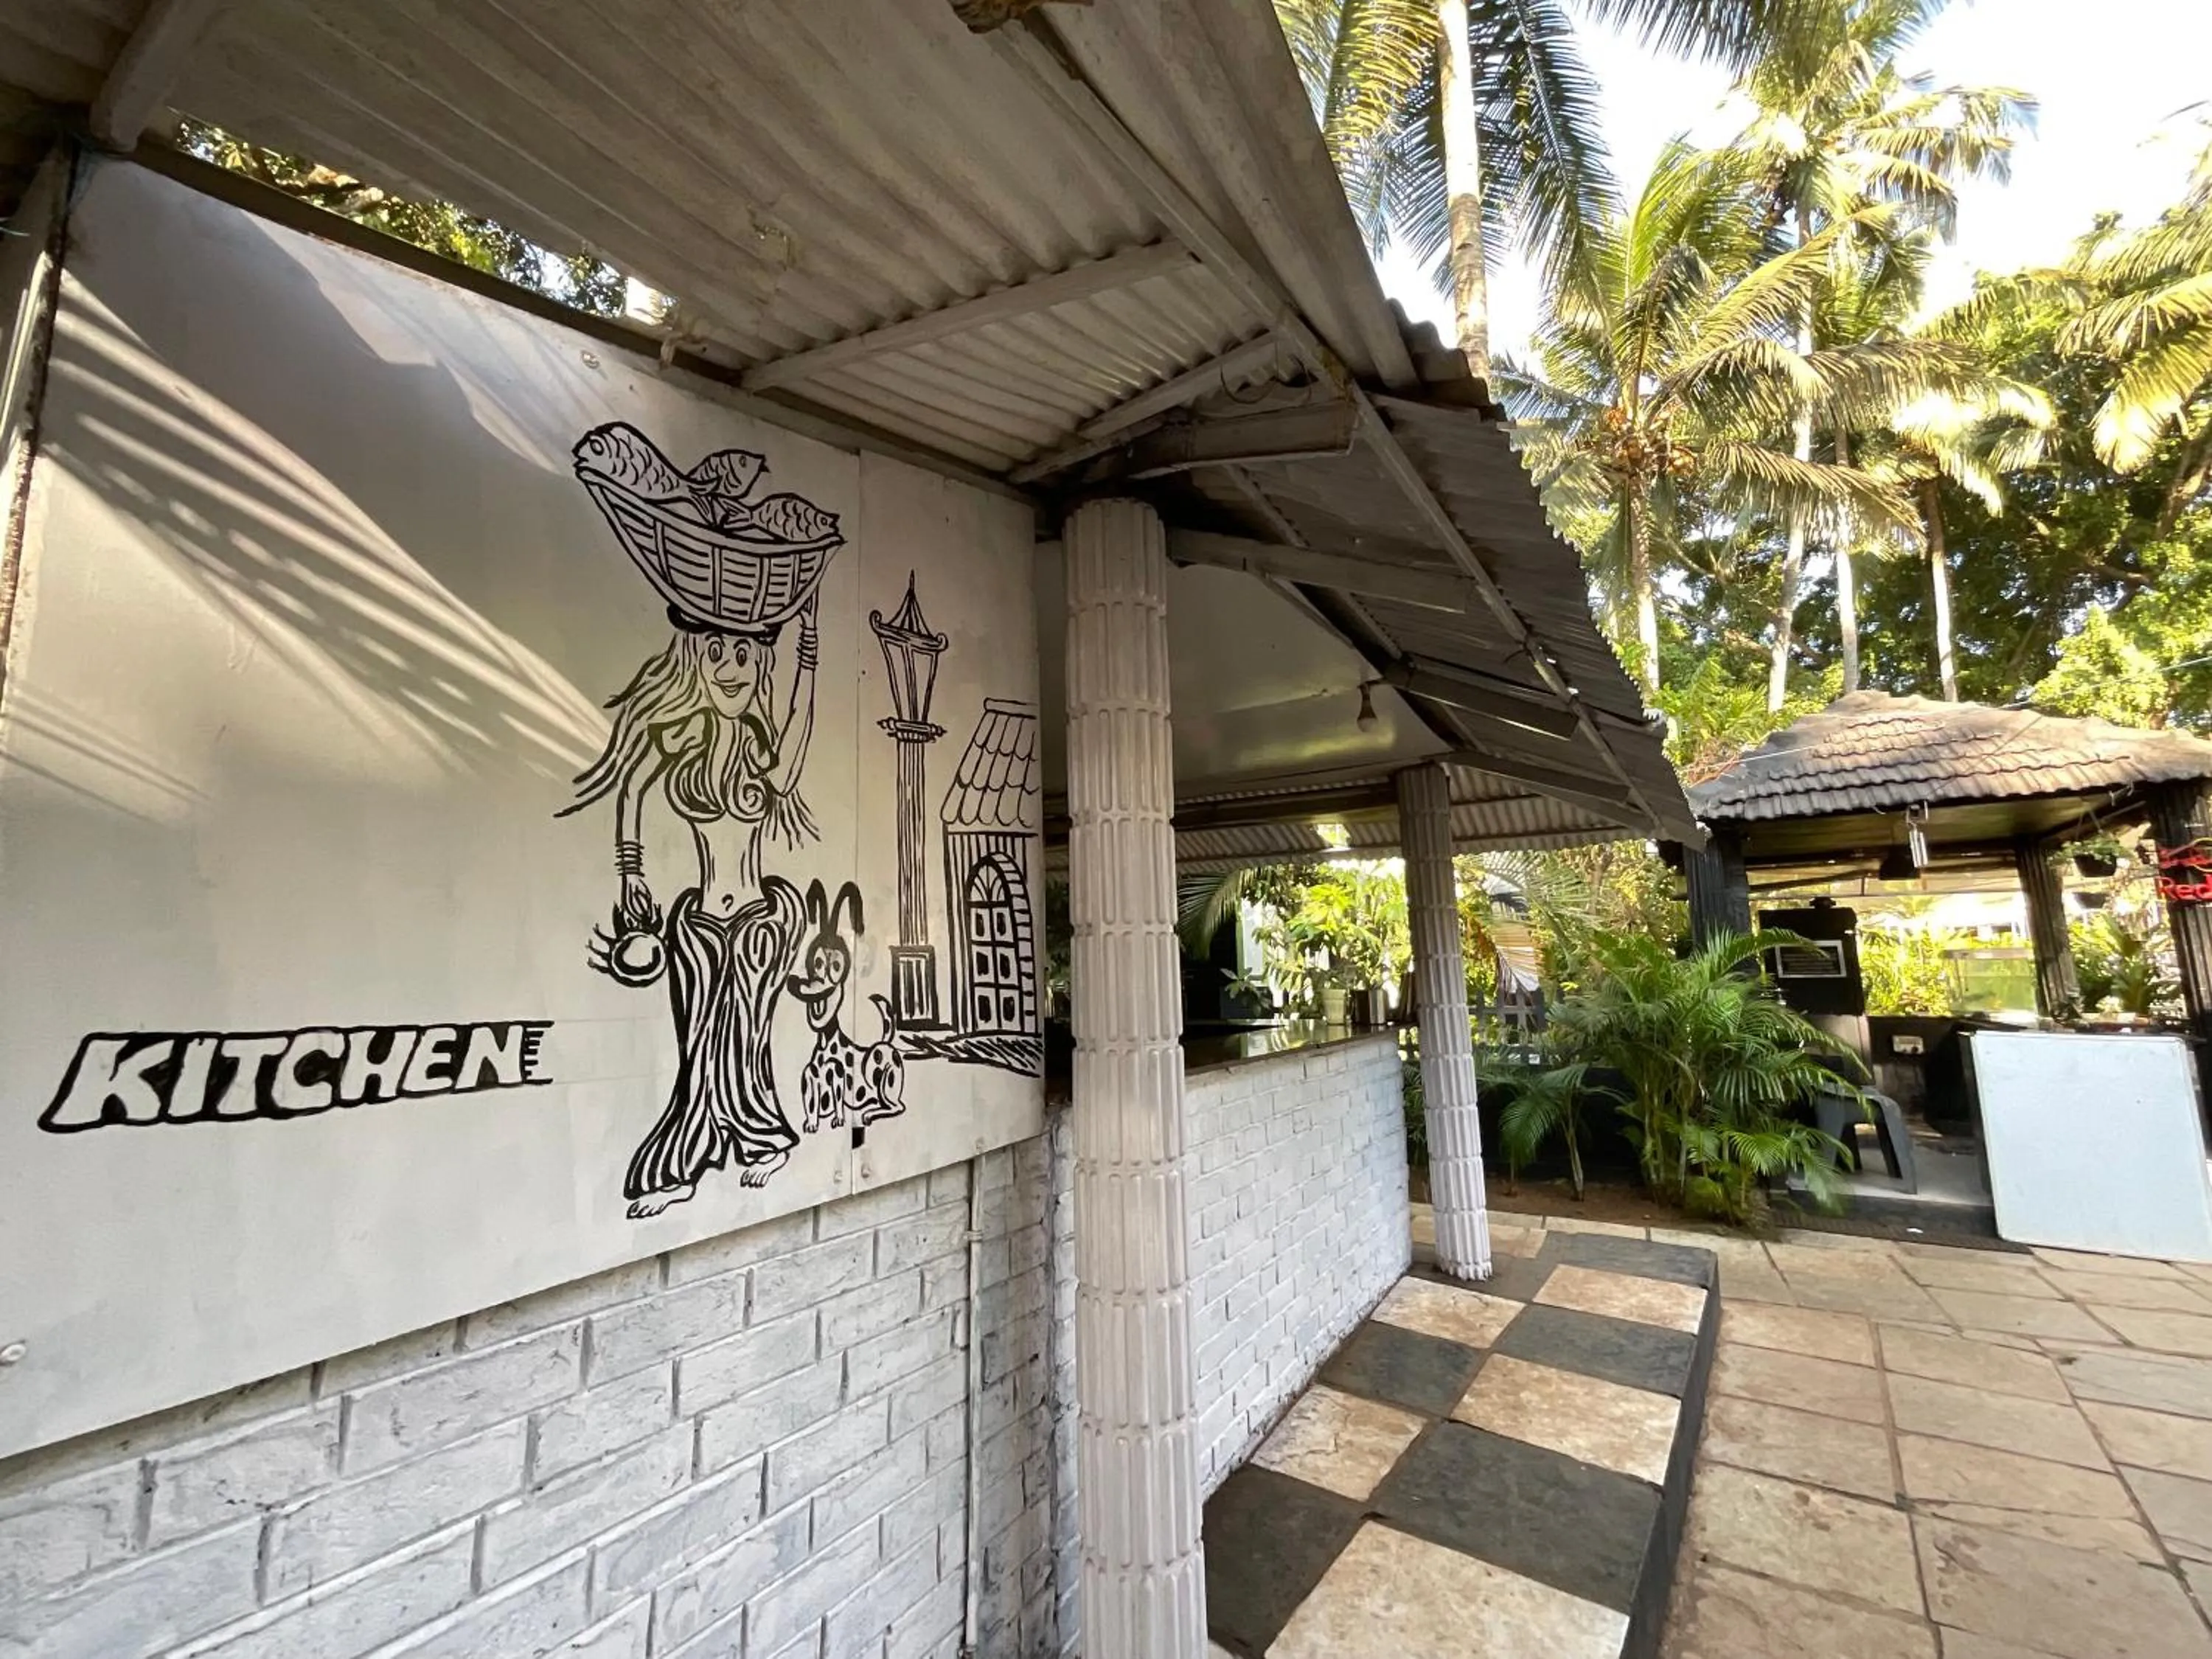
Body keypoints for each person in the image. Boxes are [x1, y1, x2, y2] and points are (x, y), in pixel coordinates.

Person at [563, 594, 820, 1216]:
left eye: (743, 653)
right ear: (694, 660)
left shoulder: (762, 749)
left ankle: (762, 1140)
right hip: (700, 922)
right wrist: (631, 873)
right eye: (715, 654)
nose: (730, 667)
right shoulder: (680, 735)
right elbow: (630, 790)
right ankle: (685, 1159)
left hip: (761, 918)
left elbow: (799, 720)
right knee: (700, 1043)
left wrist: (807, 643)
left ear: (761, 661)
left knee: (749, 1035)